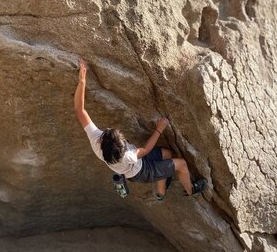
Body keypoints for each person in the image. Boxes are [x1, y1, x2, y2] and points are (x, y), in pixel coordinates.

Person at [74, 58, 207, 200]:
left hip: (133, 169)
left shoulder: (96, 141)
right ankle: (191, 190)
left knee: (167, 154)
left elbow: (79, 110)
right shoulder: (128, 155)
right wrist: (159, 129)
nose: (106, 128)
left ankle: (161, 192)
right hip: (143, 172)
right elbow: (145, 150)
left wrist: (82, 80)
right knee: (181, 164)